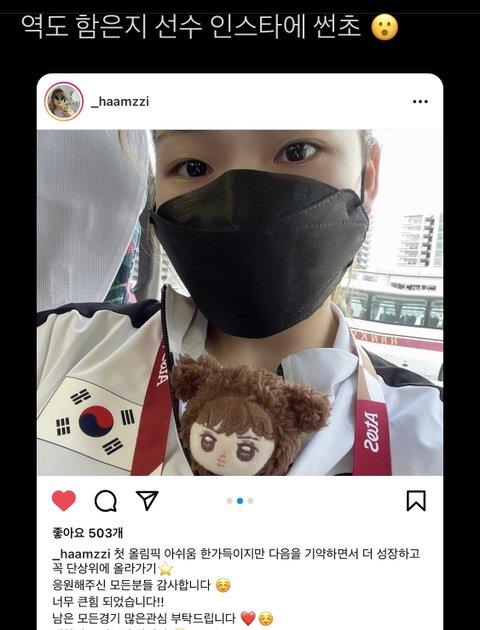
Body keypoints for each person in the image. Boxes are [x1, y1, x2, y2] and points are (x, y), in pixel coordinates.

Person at [37, 129, 443, 476]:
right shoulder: (60, 344)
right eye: (193, 167)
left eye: (297, 151)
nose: (236, 203)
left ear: (368, 175)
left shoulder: (430, 429)